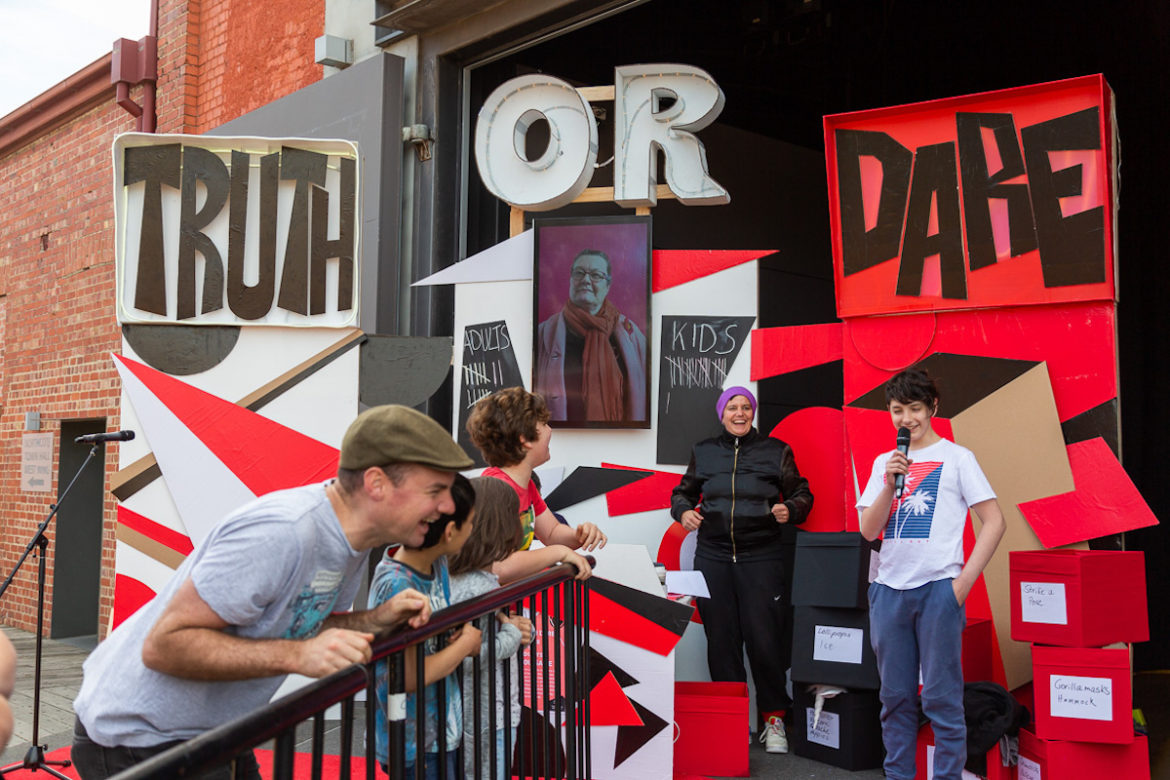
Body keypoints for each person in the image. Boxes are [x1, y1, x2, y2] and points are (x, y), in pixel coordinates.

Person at [71, 405, 475, 780]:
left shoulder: (353, 542)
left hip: (213, 733)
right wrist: (298, 656)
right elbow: (164, 645)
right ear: (376, 484)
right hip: (138, 739)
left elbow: (302, 621)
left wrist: (374, 620)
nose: (446, 506)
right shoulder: (283, 531)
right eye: (434, 491)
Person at [858, 368, 1006, 780]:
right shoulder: (883, 463)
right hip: (888, 591)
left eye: (915, 408)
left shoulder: (958, 458)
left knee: (942, 699)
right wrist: (888, 483)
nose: (906, 419)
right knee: (895, 699)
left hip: (938, 590)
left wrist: (961, 585)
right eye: (897, 410)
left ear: (933, 408)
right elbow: (869, 531)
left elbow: (995, 521)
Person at [670, 385, 813, 755]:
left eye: (746, 407)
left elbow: (802, 494)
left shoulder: (776, 451)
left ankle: (774, 720)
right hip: (713, 557)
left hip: (761, 557)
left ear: (753, 412)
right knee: (721, 642)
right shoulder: (703, 451)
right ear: (722, 414)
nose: (739, 413)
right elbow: (682, 493)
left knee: (765, 641)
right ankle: (731, 721)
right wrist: (683, 511)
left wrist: (790, 509)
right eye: (732, 407)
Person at [369, 474, 482, 779]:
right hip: (412, 743)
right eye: (470, 522)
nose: (472, 530)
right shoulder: (397, 585)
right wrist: (465, 644)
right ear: (449, 531)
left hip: (441, 731)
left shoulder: (436, 562)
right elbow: (406, 675)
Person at [465, 387, 605, 585]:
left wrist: (579, 535)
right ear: (524, 438)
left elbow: (552, 533)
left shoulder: (527, 485)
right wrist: (559, 552)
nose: (550, 430)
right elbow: (497, 567)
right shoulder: (496, 489)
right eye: (544, 423)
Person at [449, 477, 534, 780]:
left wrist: (515, 629)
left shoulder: (478, 582)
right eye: (517, 515)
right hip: (485, 717)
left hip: (490, 712)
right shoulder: (474, 588)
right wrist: (511, 635)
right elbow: (463, 654)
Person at [535, 249, 648, 423]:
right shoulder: (542, 334)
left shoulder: (632, 336)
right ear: (571, 280)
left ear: (607, 286)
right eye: (579, 273)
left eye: (595, 275)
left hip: (621, 439)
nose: (586, 280)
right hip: (561, 438)